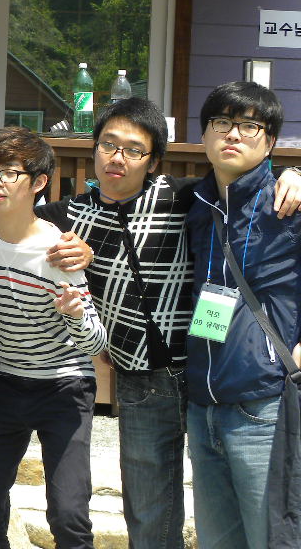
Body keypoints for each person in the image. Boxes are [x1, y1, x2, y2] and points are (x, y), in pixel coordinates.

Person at [31, 96, 301, 549]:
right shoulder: (74, 215)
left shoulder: (191, 197)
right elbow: (9, 222)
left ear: (154, 160)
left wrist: (292, 174)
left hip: (239, 383)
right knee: (163, 516)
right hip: (162, 381)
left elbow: (252, 183)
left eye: (134, 149)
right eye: (108, 145)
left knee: (267, 528)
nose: (118, 157)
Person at [0, 127, 106, 549]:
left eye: (10, 173)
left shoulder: (58, 250)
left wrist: (75, 315)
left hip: (65, 385)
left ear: (39, 182)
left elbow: (95, 344)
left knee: (69, 514)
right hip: (3, 383)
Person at [184, 81, 301, 549]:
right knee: (217, 540)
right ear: (204, 135)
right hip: (203, 405)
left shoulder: (288, 204)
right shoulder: (196, 204)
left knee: (272, 538)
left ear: (269, 142)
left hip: (264, 402)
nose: (233, 134)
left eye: (249, 126)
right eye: (222, 123)